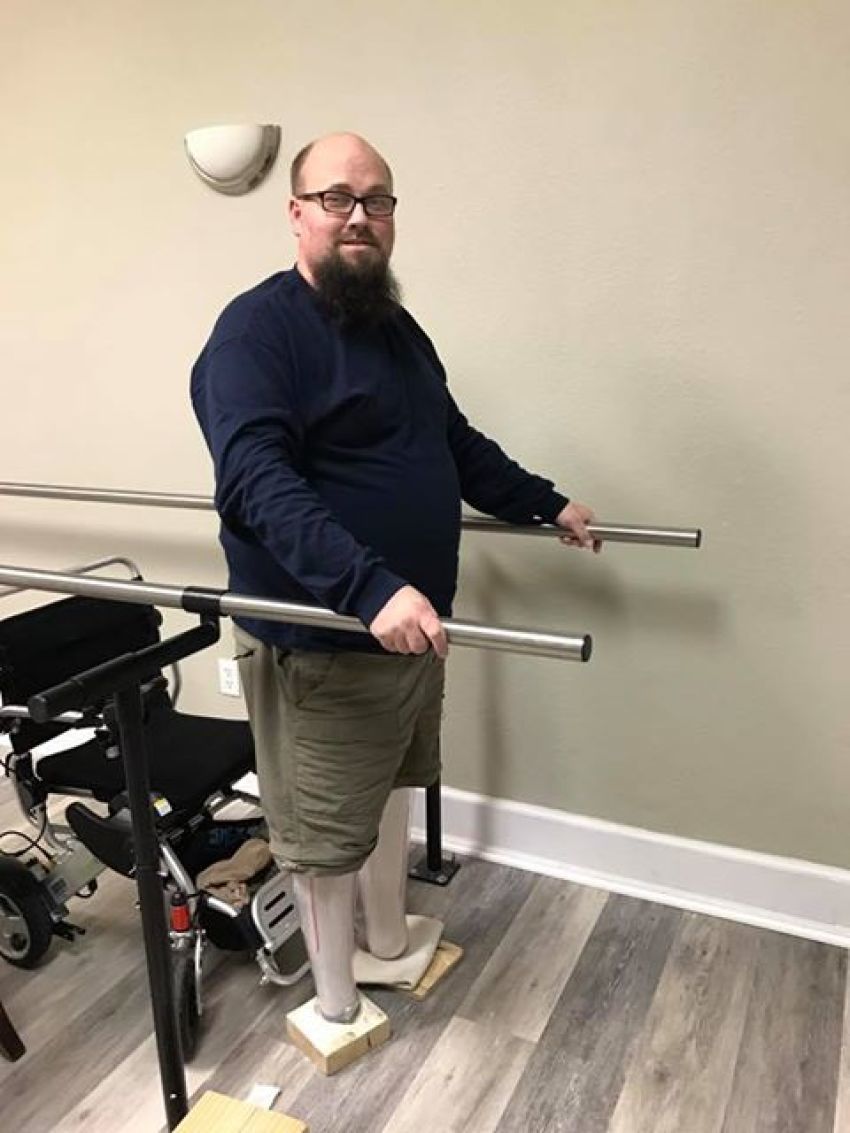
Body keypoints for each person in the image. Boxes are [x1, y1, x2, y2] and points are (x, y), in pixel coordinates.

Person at [191, 132, 599, 1025]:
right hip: (324, 638)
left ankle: (383, 946)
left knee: (387, 796)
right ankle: (334, 1003)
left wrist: (545, 503)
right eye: (336, 198)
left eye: (377, 200)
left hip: (412, 627)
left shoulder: (396, 328)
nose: (359, 216)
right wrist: (368, 588)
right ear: (295, 213)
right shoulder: (254, 334)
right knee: (326, 834)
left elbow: (450, 442)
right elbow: (256, 482)